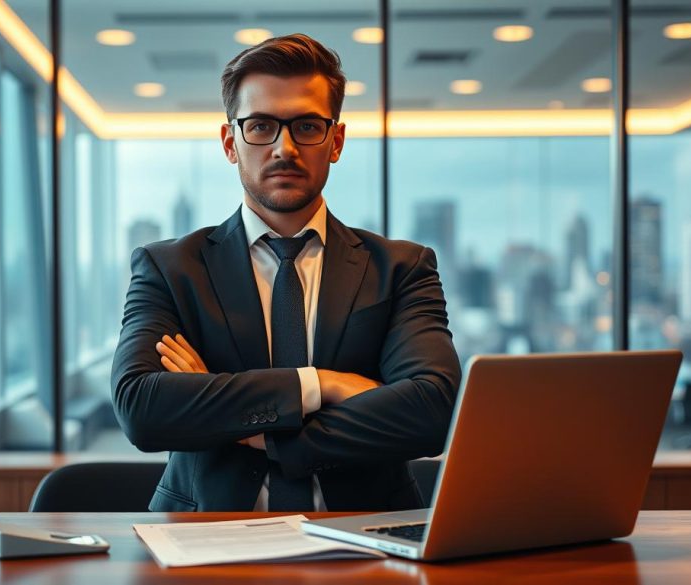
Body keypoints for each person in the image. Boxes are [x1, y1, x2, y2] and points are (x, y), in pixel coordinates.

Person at [111, 33, 461, 512]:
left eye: (307, 126)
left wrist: (253, 431)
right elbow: (142, 409)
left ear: (335, 141)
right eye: (260, 126)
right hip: (203, 539)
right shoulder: (170, 268)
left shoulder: (402, 268)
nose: (284, 147)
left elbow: (431, 411)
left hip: (365, 540)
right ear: (230, 142)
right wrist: (320, 384)